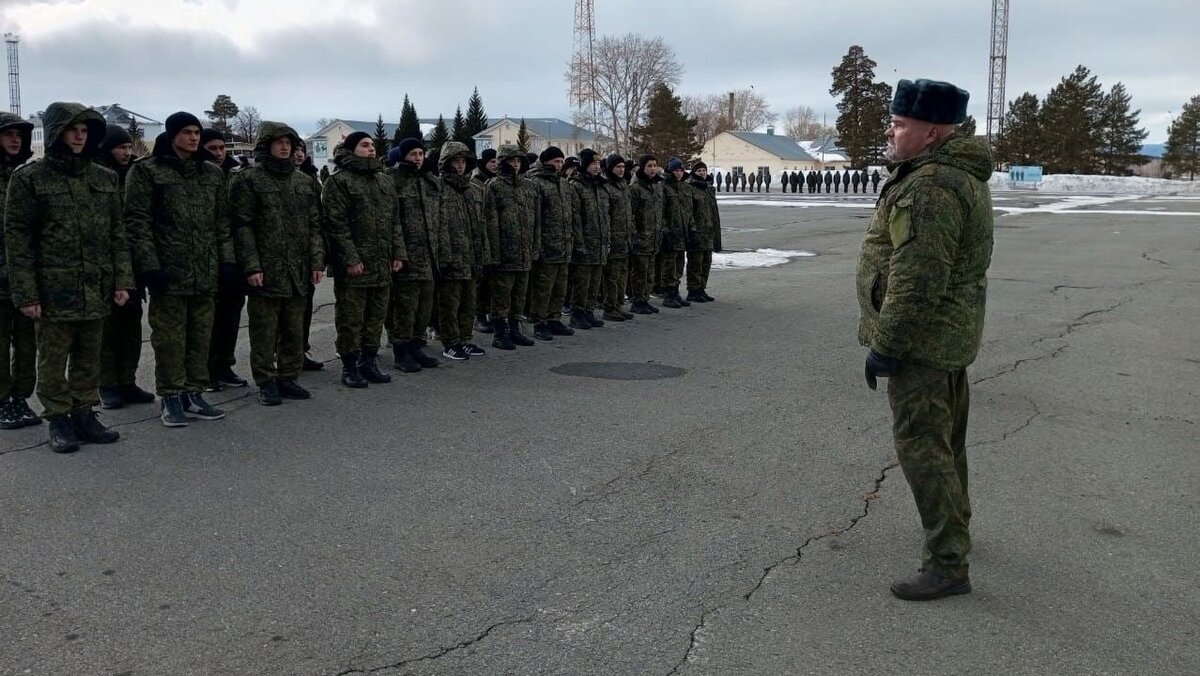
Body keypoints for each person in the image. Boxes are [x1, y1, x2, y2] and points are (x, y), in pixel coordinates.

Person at [857, 78, 994, 601]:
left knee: (922, 447)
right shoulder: (952, 174)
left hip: (924, 343)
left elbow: (917, 277)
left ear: (932, 132)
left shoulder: (932, 185)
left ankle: (946, 564)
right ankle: (954, 532)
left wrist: (887, 344)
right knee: (946, 442)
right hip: (948, 335)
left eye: (899, 125)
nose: (891, 134)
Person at [4, 102, 135, 452]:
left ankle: (84, 412)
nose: (79, 136)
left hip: (95, 284)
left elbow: (117, 234)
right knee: (52, 357)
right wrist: (27, 293)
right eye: (72, 129)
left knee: (89, 354)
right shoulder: (29, 178)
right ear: (57, 132)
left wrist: (123, 280)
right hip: (52, 288)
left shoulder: (103, 178)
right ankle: (58, 418)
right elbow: (18, 240)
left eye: (85, 130)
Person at [126, 113, 233, 427]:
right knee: (170, 339)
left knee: (200, 336)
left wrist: (226, 262)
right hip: (168, 273)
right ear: (172, 135)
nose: (194, 138)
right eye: (186, 132)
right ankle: (171, 396)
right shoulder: (147, 172)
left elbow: (222, 223)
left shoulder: (211, 174)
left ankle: (194, 392)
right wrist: (149, 267)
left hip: (205, 271)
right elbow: (137, 223)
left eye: (197, 132)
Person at [229, 121, 324, 406]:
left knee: (295, 328)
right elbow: (241, 226)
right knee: (264, 330)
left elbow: (315, 226)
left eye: (290, 143)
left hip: (298, 270)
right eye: (279, 142)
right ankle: (266, 380)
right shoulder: (248, 180)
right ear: (266, 145)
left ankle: (288, 376)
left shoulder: (304, 182)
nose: (285, 148)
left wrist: (317, 261)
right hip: (266, 269)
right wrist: (252, 265)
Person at [321, 131, 405, 388]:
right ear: (351, 149)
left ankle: (368, 362)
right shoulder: (339, 182)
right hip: (355, 266)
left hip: (381, 263)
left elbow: (394, 221)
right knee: (351, 318)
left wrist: (398, 253)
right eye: (364, 145)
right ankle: (349, 366)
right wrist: (351, 259)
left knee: (375, 317)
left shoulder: (383, 181)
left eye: (373, 145)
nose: (371, 149)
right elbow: (336, 225)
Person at [88, 123, 154, 411]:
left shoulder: (134, 176)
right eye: (121, 147)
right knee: (108, 330)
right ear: (106, 148)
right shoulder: (95, 176)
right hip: (104, 265)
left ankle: (127, 380)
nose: (127, 152)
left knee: (130, 327)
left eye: (129, 147)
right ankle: (107, 384)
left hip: (133, 264)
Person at [385, 138, 445, 372]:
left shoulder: (430, 181)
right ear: (403, 156)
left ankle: (416, 346)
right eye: (413, 154)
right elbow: (392, 221)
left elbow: (439, 219)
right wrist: (398, 252)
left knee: (424, 307)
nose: (418, 158)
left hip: (430, 256)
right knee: (405, 307)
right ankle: (401, 351)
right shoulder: (392, 180)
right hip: (407, 256)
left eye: (421, 153)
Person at [200, 128, 250, 393]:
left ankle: (223, 365)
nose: (219, 154)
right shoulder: (200, 177)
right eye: (213, 149)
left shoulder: (235, 177)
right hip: (208, 258)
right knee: (209, 319)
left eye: (222, 148)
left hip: (235, 259)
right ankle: (205, 370)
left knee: (230, 316)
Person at [0, 112, 40, 430]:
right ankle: (2, 400)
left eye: (19, 135)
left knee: (27, 343)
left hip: (26, 276)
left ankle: (20, 397)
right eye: (7, 134)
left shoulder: (25, 177)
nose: (15, 140)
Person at [434, 141, 489, 360]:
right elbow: (436, 225)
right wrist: (445, 256)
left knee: (469, 302)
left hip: (471, 256)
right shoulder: (438, 188)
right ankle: (450, 342)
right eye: (455, 161)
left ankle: (465, 339)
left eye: (463, 161)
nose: (460, 165)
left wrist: (482, 253)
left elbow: (480, 223)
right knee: (450, 304)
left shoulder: (471, 189)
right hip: (451, 257)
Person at [482, 144, 538, 350]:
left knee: (519, 295)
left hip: (524, 251)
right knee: (501, 296)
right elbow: (490, 222)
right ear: (503, 163)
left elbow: (536, 219)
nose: (515, 165)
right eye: (511, 161)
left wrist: (535, 245)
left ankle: (515, 329)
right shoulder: (494, 186)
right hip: (504, 253)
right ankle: (500, 333)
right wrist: (493, 254)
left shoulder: (529, 186)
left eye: (518, 161)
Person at [525, 146, 576, 340]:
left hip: (563, 244)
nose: (560, 165)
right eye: (556, 161)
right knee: (543, 287)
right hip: (546, 244)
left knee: (560, 286)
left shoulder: (563, 183)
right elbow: (535, 218)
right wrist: (537, 245)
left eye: (561, 162)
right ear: (546, 162)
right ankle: (539, 321)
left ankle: (555, 318)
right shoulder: (536, 182)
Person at [292, 139, 325, 373]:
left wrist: (318, 259)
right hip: (281, 260)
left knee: (304, 309)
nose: (298, 154)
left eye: (301, 150)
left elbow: (317, 223)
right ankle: (284, 356)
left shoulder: (310, 180)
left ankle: (301, 351)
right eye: (296, 150)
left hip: (306, 256)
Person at [567, 148, 609, 329]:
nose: (597, 167)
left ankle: (589, 311)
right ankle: (577, 313)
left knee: (594, 280)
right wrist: (579, 242)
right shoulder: (576, 185)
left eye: (599, 163)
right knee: (582, 281)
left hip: (599, 241)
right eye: (593, 164)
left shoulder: (599, 185)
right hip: (584, 241)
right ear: (585, 165)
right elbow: (575, 217)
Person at [600, 153, 634, 322]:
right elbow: (605, 215)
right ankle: (610, 306)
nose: (621, 170)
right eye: (617, 167)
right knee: (611, 277)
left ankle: (619, 305)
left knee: (622, 275)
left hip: (625, 239)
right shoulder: (606, 186)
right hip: (613, 239)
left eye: (622, 167)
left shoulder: (623, 185)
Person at [470, 147, 498, 335]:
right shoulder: (476, 184)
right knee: (481, 282)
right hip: (480, 238)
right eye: (492, 162)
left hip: (495, 238)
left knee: (492, 282)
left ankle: (490, 314)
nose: (495, 165)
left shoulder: (496, 183)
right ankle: (479, 316)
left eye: (497, 162)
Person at [658, 158, 691, 309]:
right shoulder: (664, 186)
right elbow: (660, 211)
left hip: (681, 232)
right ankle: (668, 294)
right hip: (670, 233)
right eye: (676, 170)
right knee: (668, 265)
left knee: (678, 264)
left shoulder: (683, 187)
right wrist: (665, 229)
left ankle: (675, 291)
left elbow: (688, 210)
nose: (678, 173)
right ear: (670, 171)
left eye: (681, 170)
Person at [685, 162, 719, 303]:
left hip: (709, 231)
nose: (702, 173)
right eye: (699, 170)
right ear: (694, 172)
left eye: (704, 170)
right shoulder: (691, 188)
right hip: (697, 231)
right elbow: (689, 211)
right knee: (695, 262)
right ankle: (693, 290)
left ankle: (701, 288)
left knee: (706, 261)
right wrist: (692, 229)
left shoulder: (709, 188)